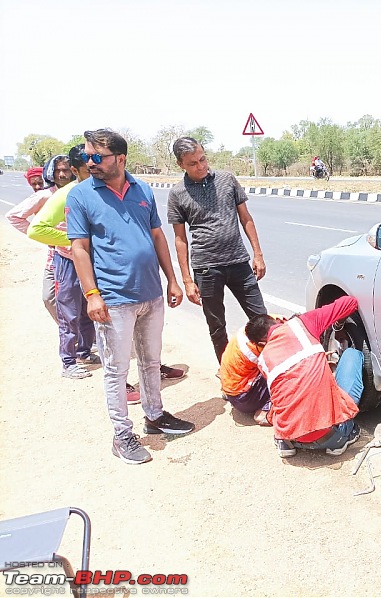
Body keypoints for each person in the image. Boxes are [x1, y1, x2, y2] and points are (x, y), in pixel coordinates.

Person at [66, 129, 194, 465]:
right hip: (113, 299)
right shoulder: (81, 196)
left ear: (120, 159)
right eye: (88, 156)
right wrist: (92, 295)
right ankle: (122, 435)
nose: (90, 162)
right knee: (116, 370)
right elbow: (79, 249)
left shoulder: (142, 190)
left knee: (152, 362)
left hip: (151, 293)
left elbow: (157, 236)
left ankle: (155, 416)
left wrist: (173, 280)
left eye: (98, 157)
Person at [167, 136, 267, 362]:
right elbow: (180, 239)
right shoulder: (177, 193)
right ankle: (228, 375)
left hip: (239, 262)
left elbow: (246, 218)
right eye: (193, 163)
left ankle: (271, 369)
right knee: (217, 326)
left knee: (261, 319)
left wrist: (257, 255)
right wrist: (187, 281)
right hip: (206, 269)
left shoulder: (227, 180)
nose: (201, 166)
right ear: (180, 165)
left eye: (202, 159)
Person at [258, 295, 363, 458]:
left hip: (289, 436)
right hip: (329, 435)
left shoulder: (263, 359)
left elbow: (292, 385)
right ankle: (342, 437)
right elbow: (350, 302)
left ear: (262, 343)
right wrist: (339, 323)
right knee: (352, 355)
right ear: (279, 322)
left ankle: (285, 444)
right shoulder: (302, 324)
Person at [28, 146, 98, 380]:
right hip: (68, 262)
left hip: (92, 261)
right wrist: (72, 240)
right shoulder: (67, 193)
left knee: (89, 311)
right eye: (88, 169)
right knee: (68, 312)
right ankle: (68, 362)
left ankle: (84, 352)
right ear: (77, 170)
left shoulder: (99, 189)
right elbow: (36, 229)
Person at [6, 157, 75, 323]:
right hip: (57, 254)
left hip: (83, 252)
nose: (62, 174)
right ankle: (67, 329)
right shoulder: (45, 196)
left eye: (66, 170)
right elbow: (14, 217)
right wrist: (48, 238)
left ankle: (85, 337)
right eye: (58, 170)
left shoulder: (82, 191)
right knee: (50, 297)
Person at [217, 314, 277, 425]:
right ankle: (265, 412)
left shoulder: (253, 328)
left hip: (231, 385)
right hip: (243, 398)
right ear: (262, 343)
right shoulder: (257, 352)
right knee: (282, 375)